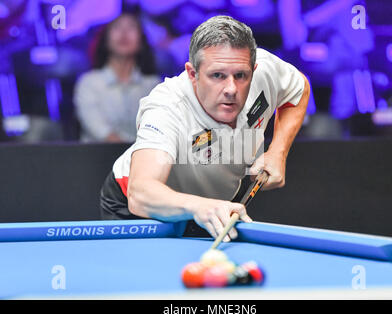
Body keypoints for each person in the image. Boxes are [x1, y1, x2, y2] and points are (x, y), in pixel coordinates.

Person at [100, 15, 310, 242]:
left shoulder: (265, 69)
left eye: (241, 76)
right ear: (193, 74)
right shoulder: (166, 107)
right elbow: (141, 192)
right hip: (139, 209)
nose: (231, 88)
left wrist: (278, 152)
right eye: (217, 75)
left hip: (214, 203)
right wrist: (200, 206)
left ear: (253, 69)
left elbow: (298, 88)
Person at [74, 13, 161, 143]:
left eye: (131, 27)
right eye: (117, 27)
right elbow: (98, 129)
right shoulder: (89, 82)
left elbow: (158, 129)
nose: (124, 33)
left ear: (141, 41)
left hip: (143, 158)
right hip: (97, 157)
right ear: (105, 40)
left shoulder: (153, 85)